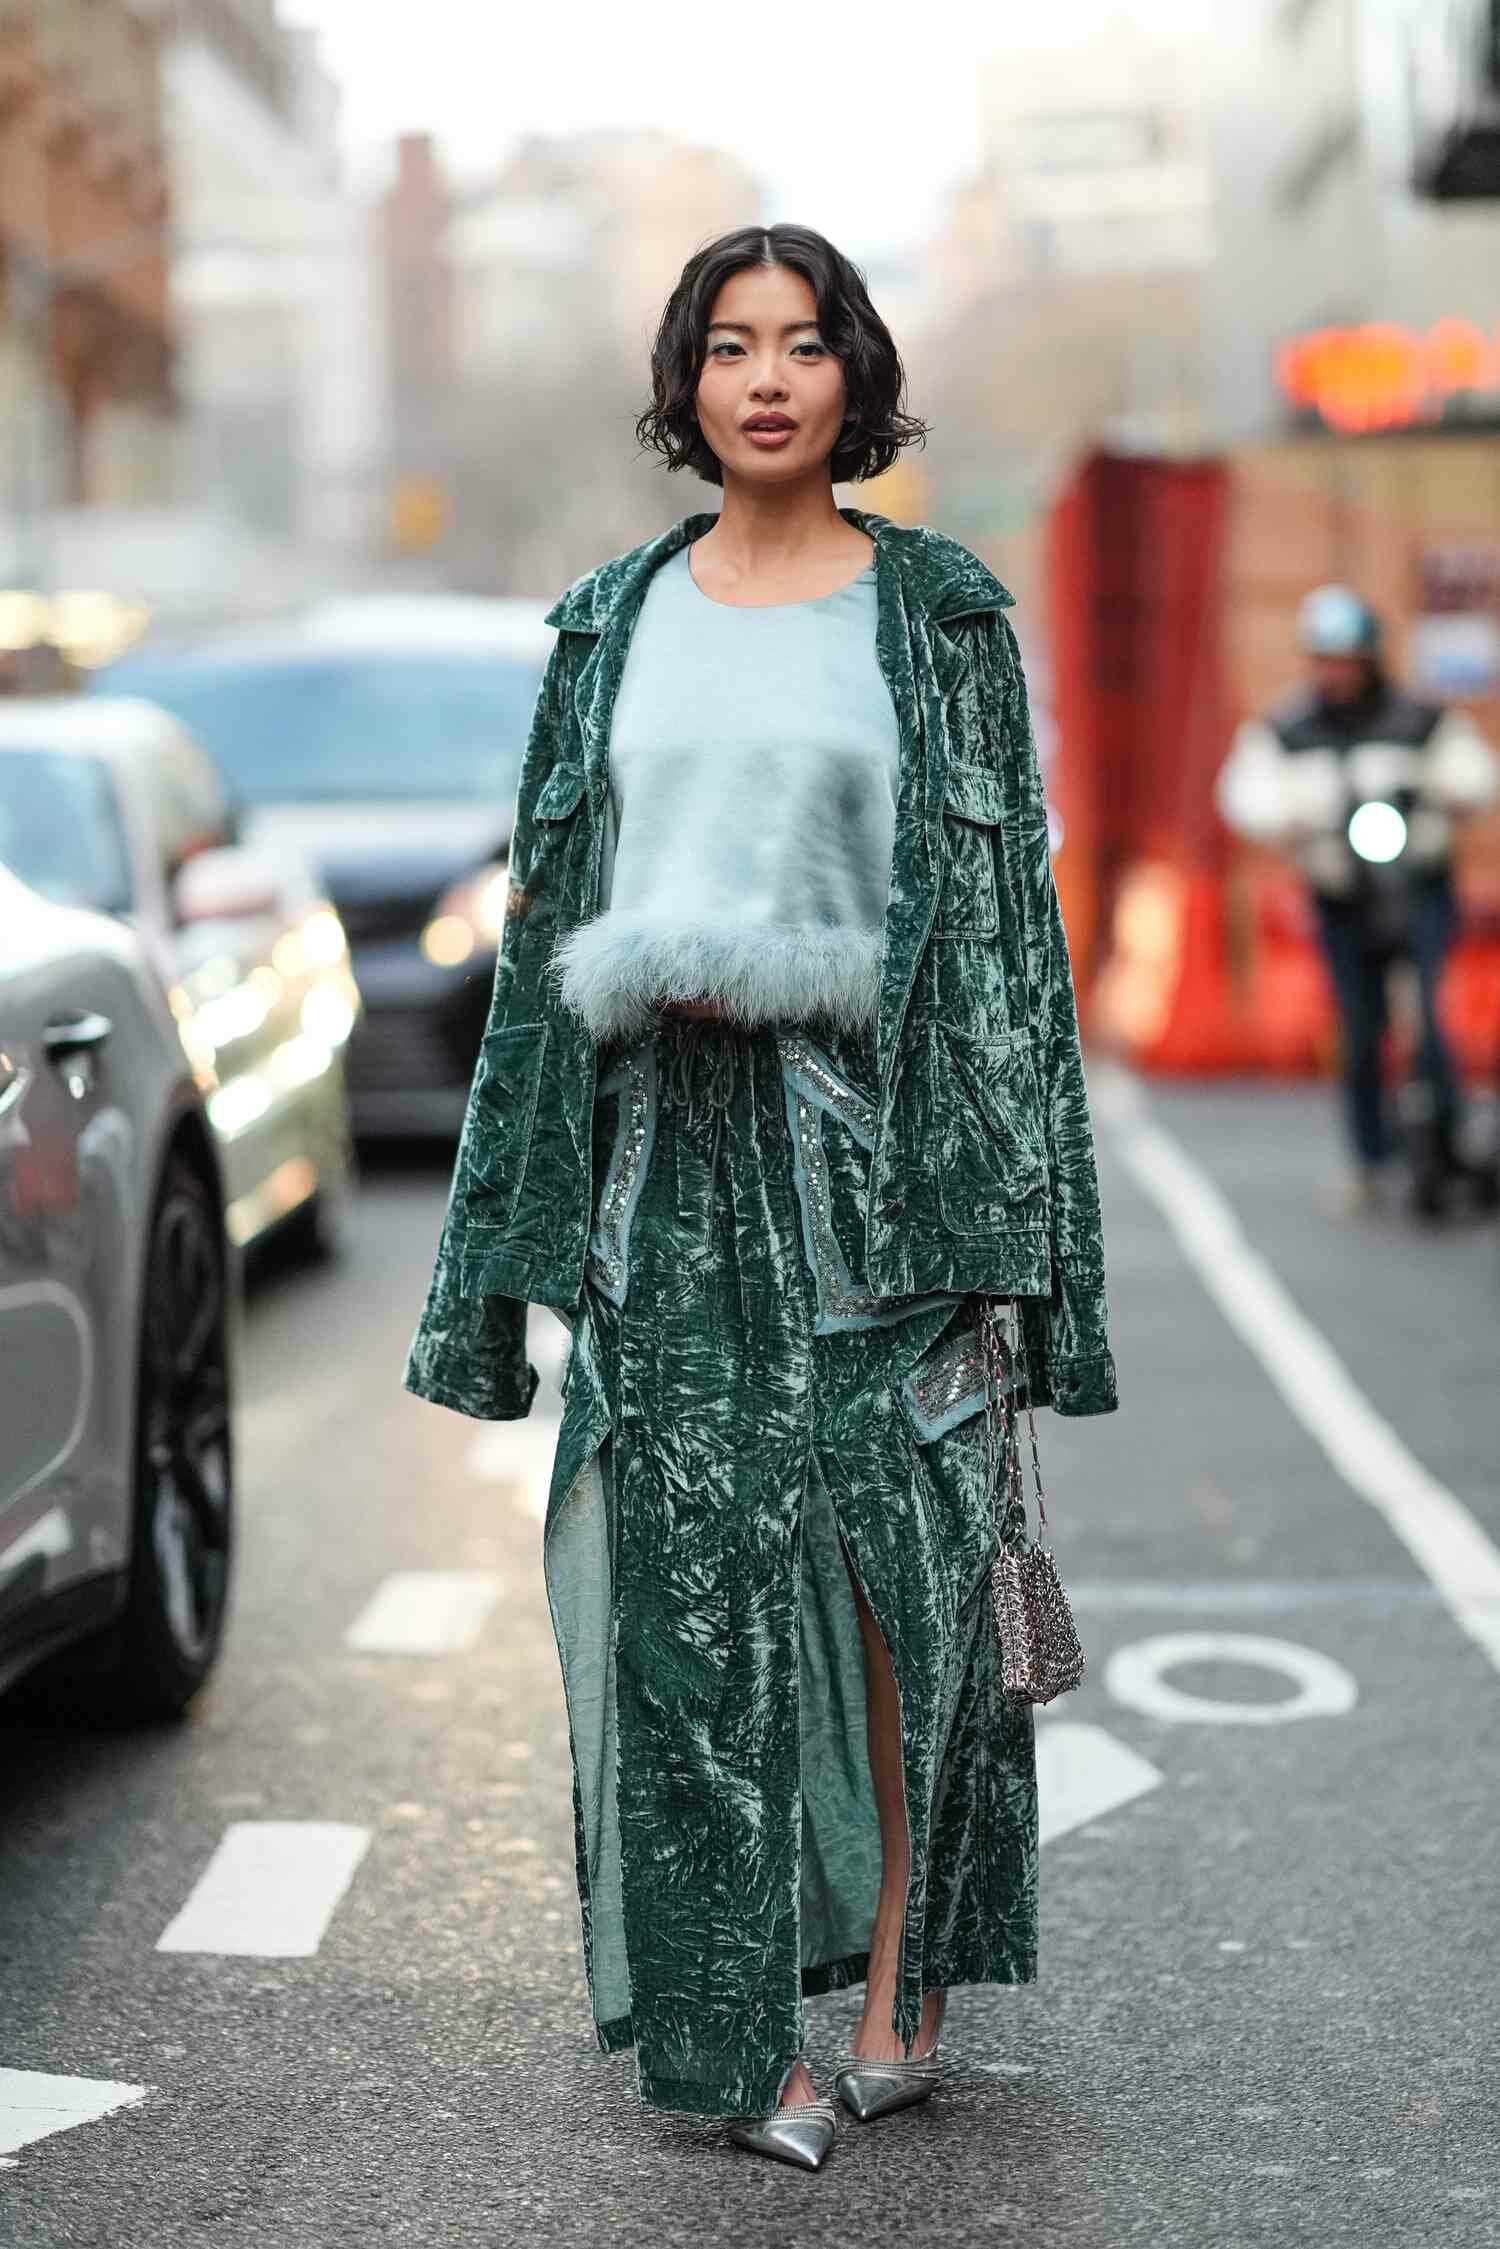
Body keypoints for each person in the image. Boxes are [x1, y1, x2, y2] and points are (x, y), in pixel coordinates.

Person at [403, 223, 1118, 2171]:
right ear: (689, 384)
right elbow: (558, 919)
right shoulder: (606, 621)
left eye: (806, 344)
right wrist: (506, 1261)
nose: (771, 378)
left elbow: (1004, 941)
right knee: (687, 1592)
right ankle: (738, 2033)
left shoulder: (941, 610)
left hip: (881, 1131)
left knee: (904, 1561)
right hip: (672, 1147)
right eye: (732, 347)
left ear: (854, 374)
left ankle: (904, 1967)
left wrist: (1038, 1251)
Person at [1215, 584, 1499, 1216]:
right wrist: (1302, 810)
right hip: (1342, 898)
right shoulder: (1287, 730)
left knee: (1430, 1012)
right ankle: (1371, 1158)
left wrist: (1432, 786)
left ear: (1370, 658)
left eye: (1345, 658)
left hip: (1419, 887)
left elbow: (1475, 775)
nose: (1334, 672)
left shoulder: (1419, 720)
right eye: (1324, 659)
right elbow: (1245, 797)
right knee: (1360, 1025)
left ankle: (1447, 1136)